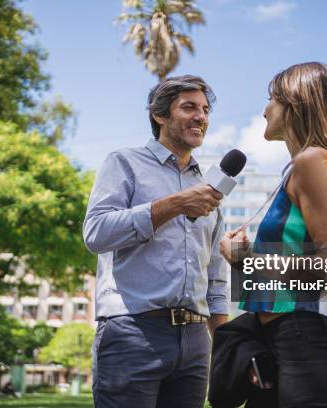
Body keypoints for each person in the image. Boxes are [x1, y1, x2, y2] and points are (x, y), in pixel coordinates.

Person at [219, 62, 327, 407]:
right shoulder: (306, 166)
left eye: (272, 98)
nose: (264, 109)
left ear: (296, 105)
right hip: (289, 341)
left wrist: (245, 260)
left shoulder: (312, 162)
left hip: (312, 345)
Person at [83, 75, 230, 408]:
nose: (201, 117)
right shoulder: (123, 163)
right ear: (159, 115)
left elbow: (215, 275)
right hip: (133, 331)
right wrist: (175, 204)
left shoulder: (207, 187)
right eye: (189, 107)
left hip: (195, 342)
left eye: (205, 110)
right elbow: (96, 233)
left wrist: (224, 344)